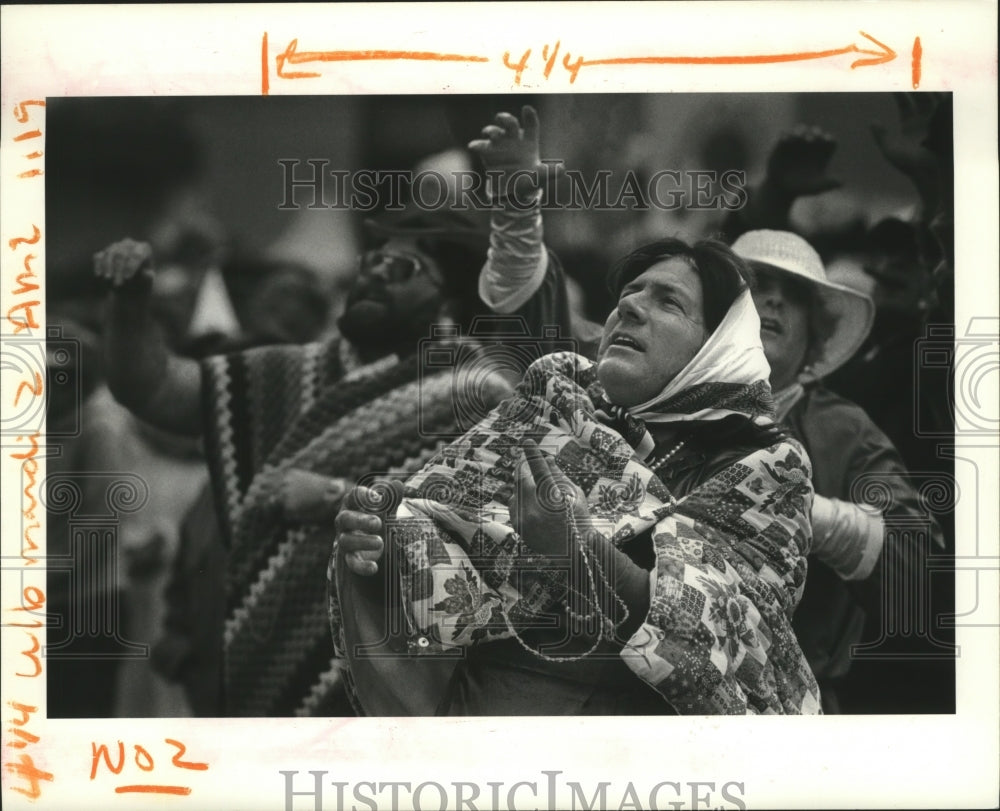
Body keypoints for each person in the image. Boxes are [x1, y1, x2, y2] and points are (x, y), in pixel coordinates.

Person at [95, 203, 577, 716]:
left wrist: (332, 496)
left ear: (448, 295)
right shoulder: (288, 372)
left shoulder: (476, 393)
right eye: (369, 263)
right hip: (262, 653)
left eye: (400, 268)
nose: (373, 275)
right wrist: (129, 305)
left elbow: (494, 527)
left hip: (393, 664)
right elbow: (155, 390)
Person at [331, 235, 822, 716]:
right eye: (628, 294)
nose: (628, 309)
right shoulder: (553, 405)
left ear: (717, 347)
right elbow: (436, 543)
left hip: (646, 768)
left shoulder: (766, 470)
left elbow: (731, 646)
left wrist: (577, 553)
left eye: (669, 301)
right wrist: (385, 534)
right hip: (481, 741)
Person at [730, 228, 946, 712]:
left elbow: (916, 581)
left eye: (797, 296)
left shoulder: (846, 431)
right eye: (756, 284)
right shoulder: (652, 396)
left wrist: (812, 515)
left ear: (817, 335)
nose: (775, 300)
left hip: (789, 709)